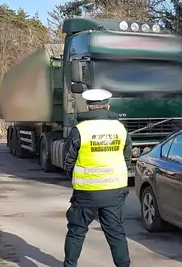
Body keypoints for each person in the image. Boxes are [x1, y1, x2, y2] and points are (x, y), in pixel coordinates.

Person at [62, 88, 132, 267]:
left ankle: (69, 265)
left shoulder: (80, 130)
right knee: (116, 232)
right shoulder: (120, 128)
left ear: (89, 106)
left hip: (86, 193)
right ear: (107, 106)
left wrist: (76, 178)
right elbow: (127, 158)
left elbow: (67, 160)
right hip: (114, 191)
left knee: (76, 232)